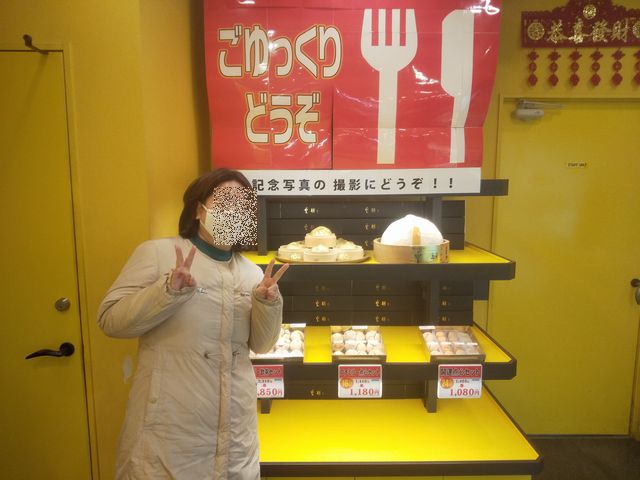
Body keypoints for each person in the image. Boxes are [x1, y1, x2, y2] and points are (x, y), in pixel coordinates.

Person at [97, 168, 288, 479]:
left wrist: (267, 303)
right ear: (200, 210)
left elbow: (262, 345)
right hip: (170, 431)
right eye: (225, 202)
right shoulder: (158, 254)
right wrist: (167, 291)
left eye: (243, 205)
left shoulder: (252, 273)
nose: (234, 212)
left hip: (236, 432)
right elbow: (110, 321)